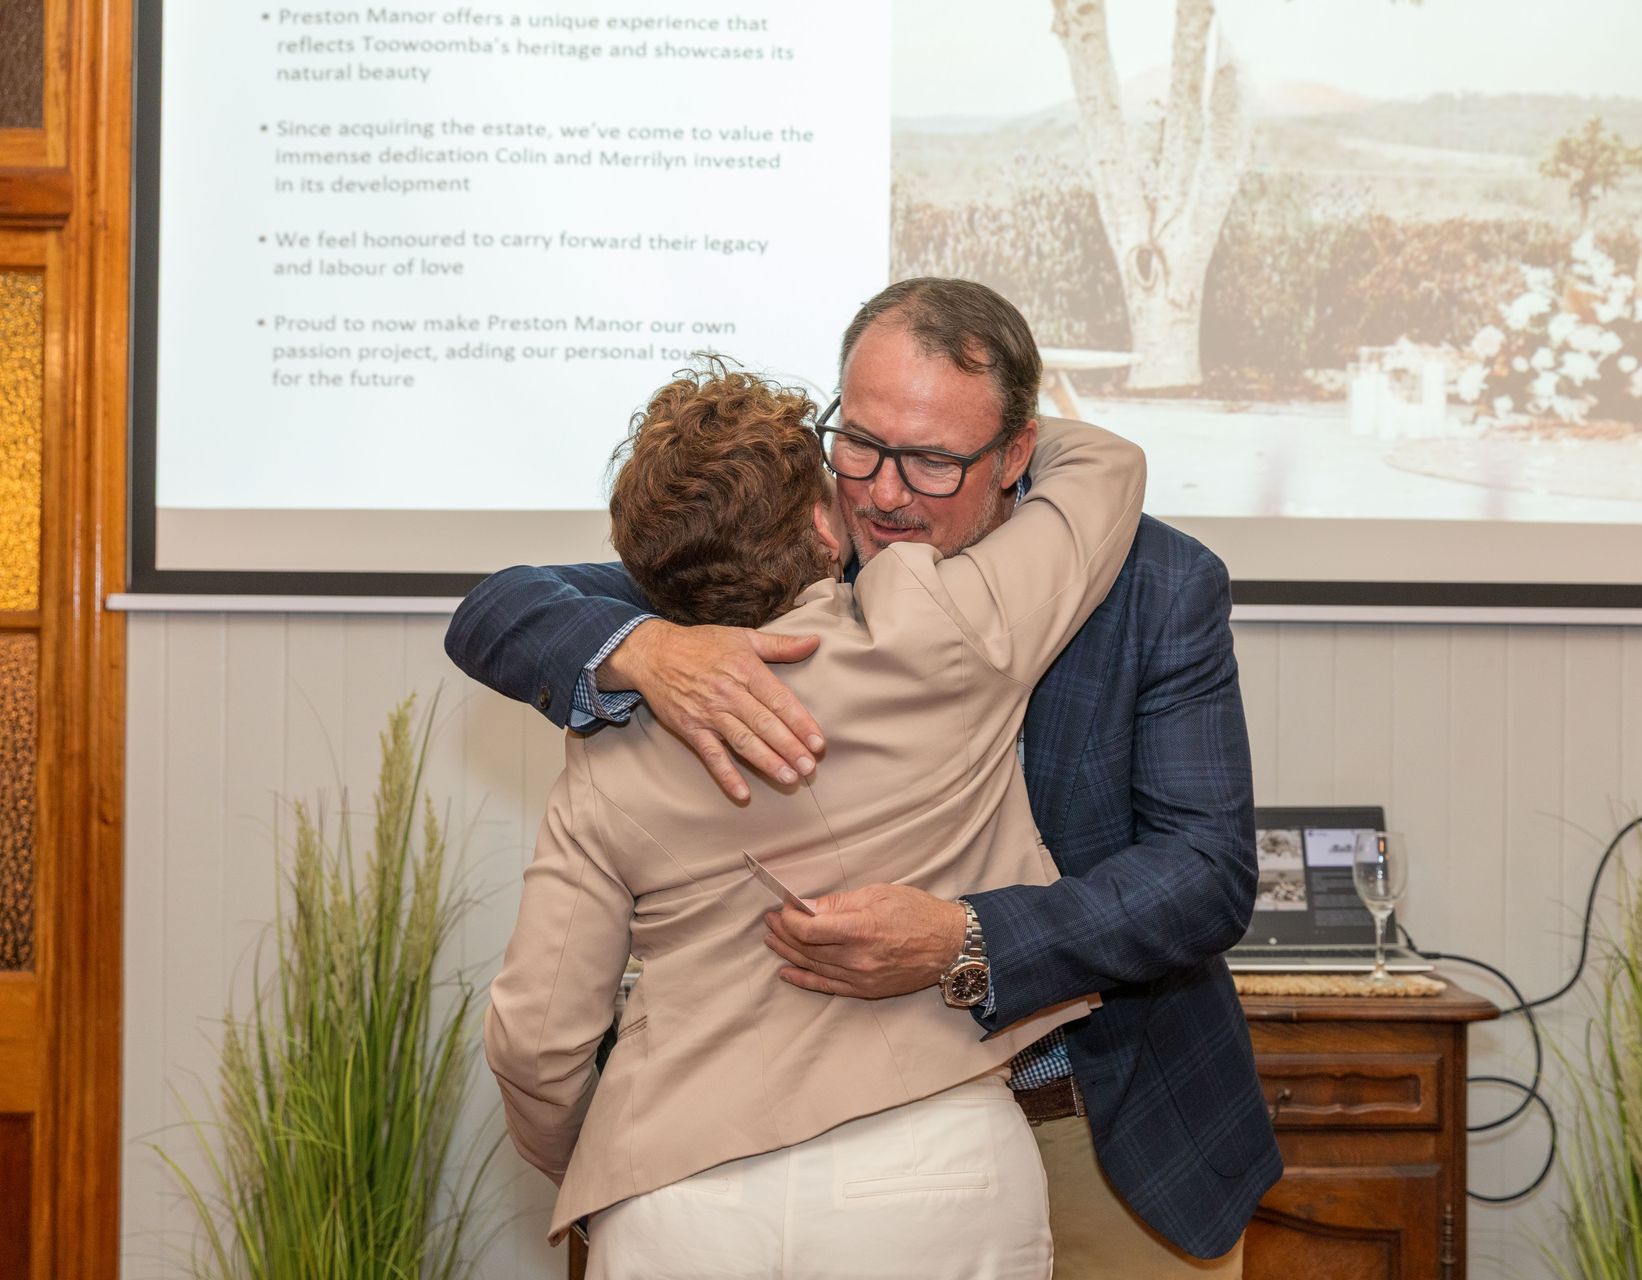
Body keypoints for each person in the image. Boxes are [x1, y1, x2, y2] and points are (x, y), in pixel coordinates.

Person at [449, 278, 1281, 1278]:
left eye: (932, 460)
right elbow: (500, 609)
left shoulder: (1156, 583)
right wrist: (647, 649)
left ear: (1018, 450)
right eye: (860, 443)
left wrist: (968, 940)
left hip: (1099, 1124)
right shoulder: (765, 553)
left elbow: (1203, 872)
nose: (885, 492)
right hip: (811, 1143)